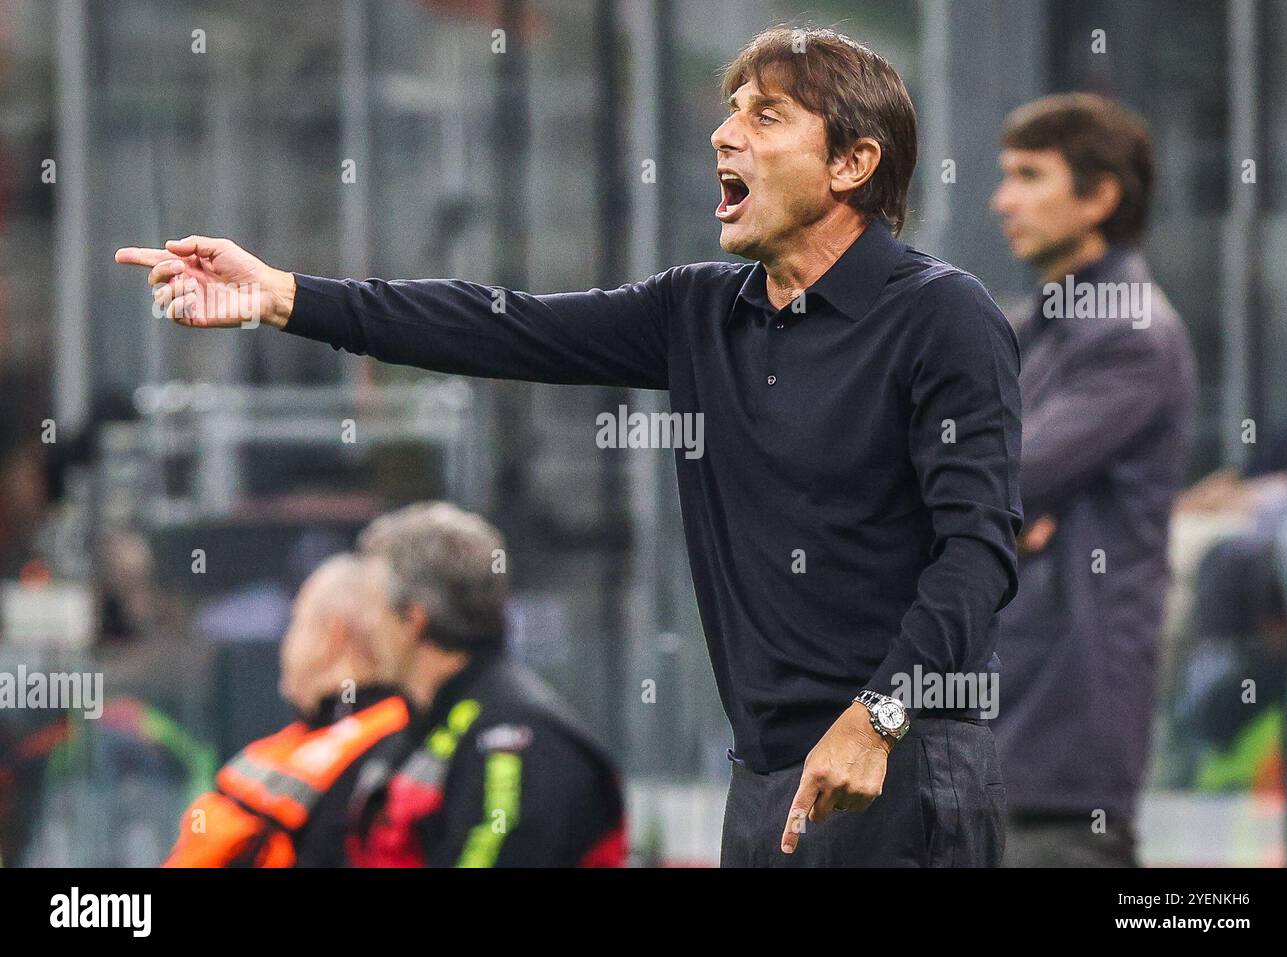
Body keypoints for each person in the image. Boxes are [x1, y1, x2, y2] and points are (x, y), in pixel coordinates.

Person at [116, 25, 1022, 867]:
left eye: (765, 115)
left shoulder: (942, 316)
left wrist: (881, 714)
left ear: (853, 164)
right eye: (731, 106)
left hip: (904, 762)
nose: (723, 134)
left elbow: (978, 552)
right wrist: (281, 293)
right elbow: (500, 326)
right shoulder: (702, 311)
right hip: (766, 783)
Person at [989, 93, 1197, 866]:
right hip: (1000, 736)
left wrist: (991, 507)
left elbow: (997, 478)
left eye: (1029, 175)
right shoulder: (1027, 328)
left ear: (1100, 195)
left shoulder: (1133, 334)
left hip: (1063, 753)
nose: (1002, 199)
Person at [344, 502, 626, 867]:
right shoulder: (423, 726)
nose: (359, 626)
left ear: (413, 620)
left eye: (370, 608)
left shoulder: (518, 738)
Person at [165, 553, 409, 867]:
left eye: (296, 622)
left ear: (334, 635)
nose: (287, 643)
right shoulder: (367, 735)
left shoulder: (378, 757)